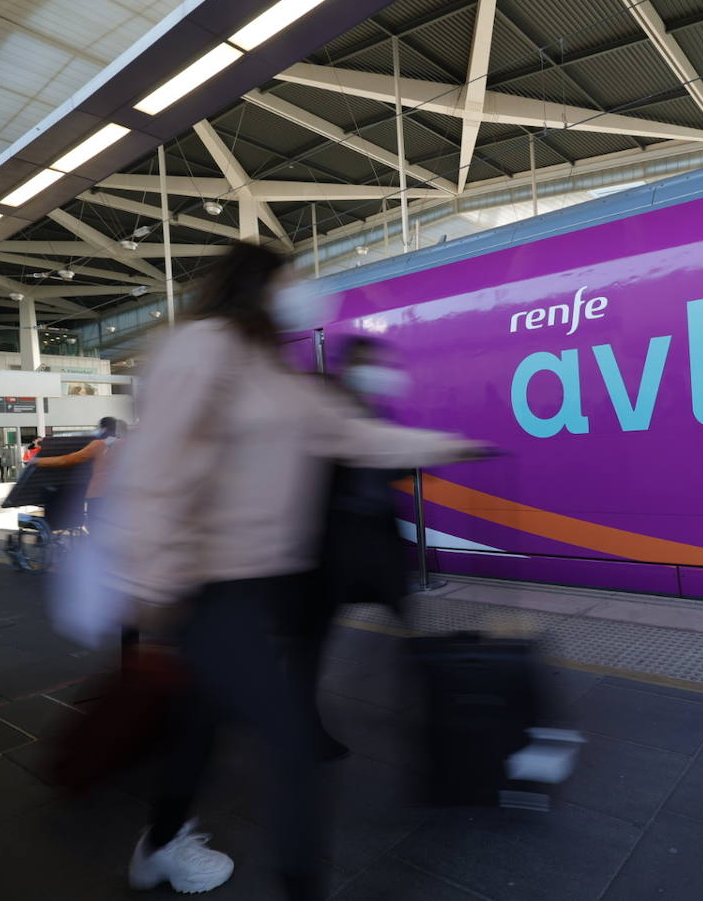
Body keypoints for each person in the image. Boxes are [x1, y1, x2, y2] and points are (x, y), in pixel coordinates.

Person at [106, 242, 491, 901]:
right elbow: (156, 468)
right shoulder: (201, 350)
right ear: (259, 285)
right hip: (209, 587)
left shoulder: (276, 373)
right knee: (290, 744)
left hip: (264, 587)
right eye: (290, 277)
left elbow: (353, 436)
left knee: (200, 726)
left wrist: (450, 446)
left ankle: (159, 845)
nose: (303, 289)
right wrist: (154, 583)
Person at [299, 337, 414, 761]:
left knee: (408, 622)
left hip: (378, 539)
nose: (379, 370)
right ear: (350, 367)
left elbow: (392, 466)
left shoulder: (378, 410)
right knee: (315, 638)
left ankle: (424, 706)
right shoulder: (329, 408)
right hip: (335, 542)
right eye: (369, 363)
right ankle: (303, 725)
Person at [34, 417, 120, 531]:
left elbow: (69, 459)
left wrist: (39, 461)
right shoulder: (123, 444)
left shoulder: (99, 444)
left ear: (104, 428)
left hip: (98, 493)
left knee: (95, 527)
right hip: (117, 492)